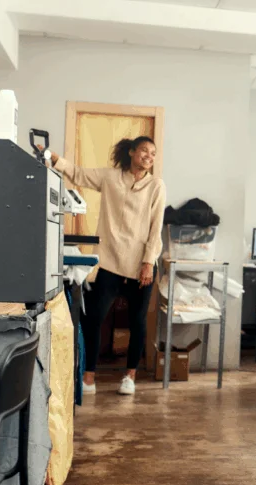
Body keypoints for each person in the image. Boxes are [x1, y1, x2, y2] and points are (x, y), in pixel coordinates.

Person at [47, 137, 166, 396]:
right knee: (93, 319)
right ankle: (89, 376)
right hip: (111, 261)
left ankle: (130, 376)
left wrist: (148, 262)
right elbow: (79, 174)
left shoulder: (156, 185)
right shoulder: (111, 178)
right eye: (144, 150)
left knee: (137, 322)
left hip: (140, 266)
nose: (149, 156)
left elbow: (156, 227)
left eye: (153, 153)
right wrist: (55, 159)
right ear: (132, 152)